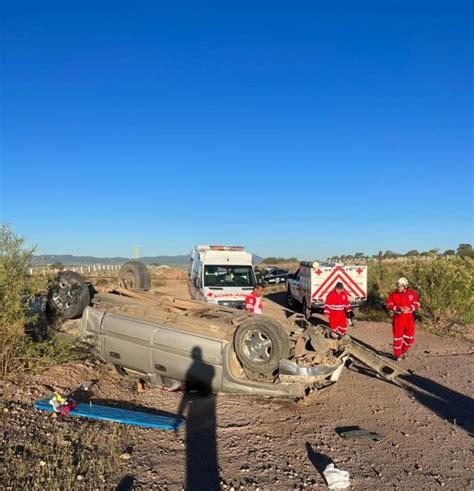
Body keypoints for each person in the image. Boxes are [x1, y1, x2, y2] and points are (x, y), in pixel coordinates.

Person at [386, 277, 420, 360]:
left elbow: (417, 304)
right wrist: (397, 308)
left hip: (409, 318)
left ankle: (404, 350)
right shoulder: (393, 295)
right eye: (398, 286)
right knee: (397, 338)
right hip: (398, 318)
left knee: (410, 339)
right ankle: (397, 355)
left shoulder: (412, 294)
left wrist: (410, 308)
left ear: (405, 286)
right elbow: (388, 305)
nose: (398, 288)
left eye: (400, 286)